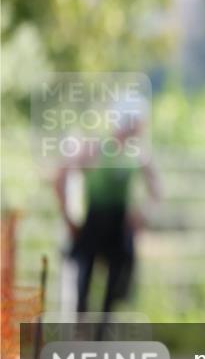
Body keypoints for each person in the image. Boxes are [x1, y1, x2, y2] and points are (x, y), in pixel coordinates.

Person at [54, 106, 160, 335]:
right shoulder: (95, 148)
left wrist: (141, 216)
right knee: (84, 282)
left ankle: (101, 334)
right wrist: (69, 218)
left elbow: (157, 190)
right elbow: (60, 176)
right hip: (94, 222)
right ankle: (82, 333)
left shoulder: (138, 154)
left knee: (114, 286)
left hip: (119, 226)